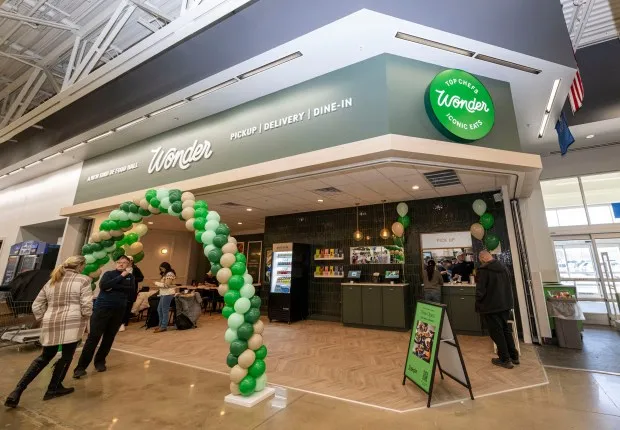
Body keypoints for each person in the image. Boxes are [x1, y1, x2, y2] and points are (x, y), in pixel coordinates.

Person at [4, 256, 92, 408]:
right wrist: (85, 316)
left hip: (51, 322)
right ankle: (53, 388)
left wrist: (45, 317)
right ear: (80, 266)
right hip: (72, 323)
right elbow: (86, 304)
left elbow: (37, 304)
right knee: (66, 356)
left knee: (44, 357)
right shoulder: (83, 280)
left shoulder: (53, 280)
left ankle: (17, 391)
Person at [73, 255, 135, 379]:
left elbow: (131, 291)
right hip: (102, 308)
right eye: (119, 262)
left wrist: (114, 287)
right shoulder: (109, 274)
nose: (121, 264)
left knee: (109, 337)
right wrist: (121, 277)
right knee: (94, 337)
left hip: (119, 309)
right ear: (116, 263)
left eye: (124, 263)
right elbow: (104, 286)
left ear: (128, 265)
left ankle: (100, 362)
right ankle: (80, 367)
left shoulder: (131, 277)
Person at [475, 250, 519, 369]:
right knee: (505, 329)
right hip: (505, 304)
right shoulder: (504, 267)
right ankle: (514, 356)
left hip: (491, 306)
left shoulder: (484, 270)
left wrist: (478, 303)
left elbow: (480, 290)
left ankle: (505, 359)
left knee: (496, 333)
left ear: (483, 258)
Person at [119, 258, 144, 332]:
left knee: (128, 305)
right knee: (121, 306)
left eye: (128, 261)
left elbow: (141, 278)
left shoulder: (135, 269)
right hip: (122, 290)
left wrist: (132, 278)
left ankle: (125, 321)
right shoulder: (121, 268)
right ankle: (119, 321)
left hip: (131, 290)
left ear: (132, 261)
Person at [154, 262, 177, 333]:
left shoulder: (170, 274)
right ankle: (160, 325)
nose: (161, 270)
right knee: (159, 310)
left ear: (166, 267)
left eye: (162, 268)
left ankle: (163, 326)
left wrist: (156, 283)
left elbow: (167, 285)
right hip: (164, 293)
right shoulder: (166, 274)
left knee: (164, 310)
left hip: (168, 294)